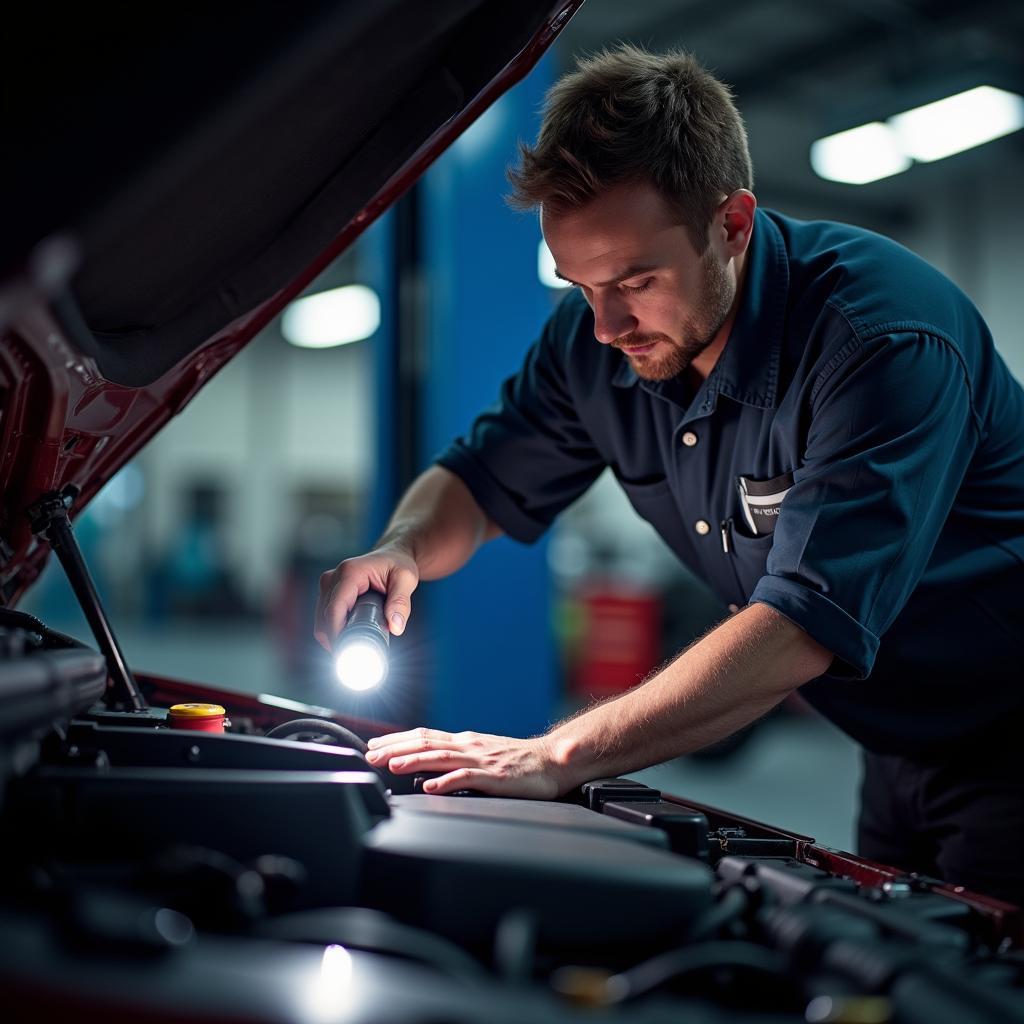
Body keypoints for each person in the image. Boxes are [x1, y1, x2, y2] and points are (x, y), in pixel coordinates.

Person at [314, 46, 1024, 903]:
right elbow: (481, 476)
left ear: (732, 225)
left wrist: (553, 756)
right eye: (578, 285)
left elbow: (802, 623)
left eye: (636, 281)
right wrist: (403, 549)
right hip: (894, 740)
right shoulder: (595, 343)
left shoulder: (881, 343)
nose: (607, 323)